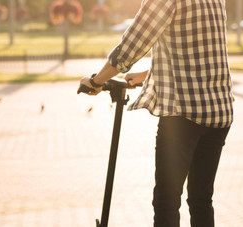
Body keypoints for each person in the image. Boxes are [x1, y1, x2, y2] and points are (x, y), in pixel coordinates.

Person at [78, 0, 234, 226]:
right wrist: (146, 74)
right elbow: (198, 49)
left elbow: (131, 46)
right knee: (201, 200)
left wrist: (95, 81)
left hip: (184, 113)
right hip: (218, 111)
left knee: (167, 201)